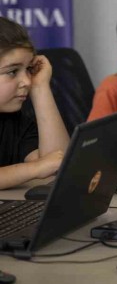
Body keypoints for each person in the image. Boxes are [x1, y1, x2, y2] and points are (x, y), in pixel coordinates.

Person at [0, 17, 69, 189]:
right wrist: (35, 168)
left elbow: (58, 163)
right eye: (12, 71)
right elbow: (43, 167)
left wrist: (40, 87)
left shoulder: (16, 120)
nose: (27, 81)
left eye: (29, 69)